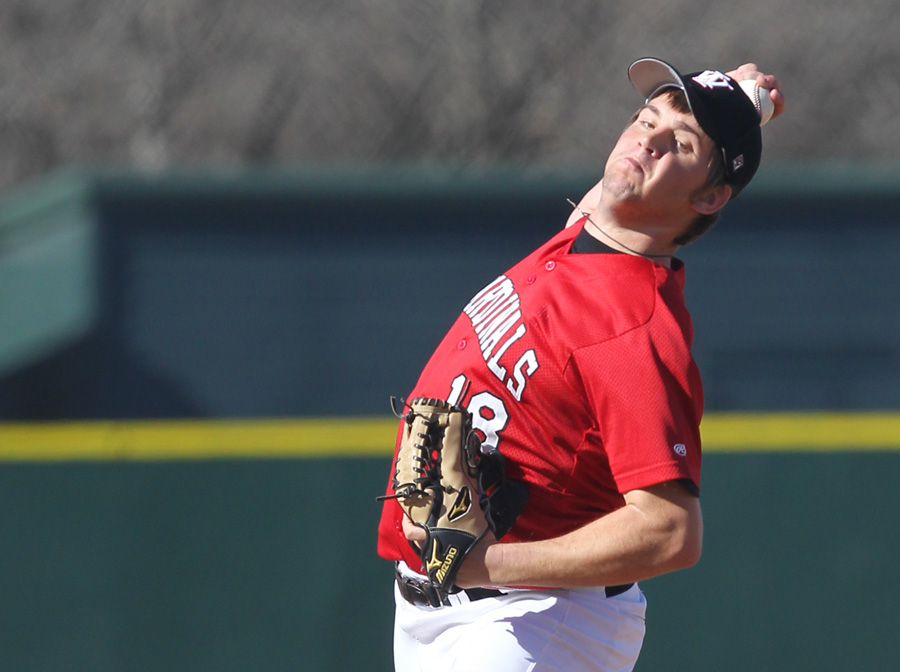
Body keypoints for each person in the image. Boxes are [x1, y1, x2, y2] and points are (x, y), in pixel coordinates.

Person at [377, 57, 785, 672]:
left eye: (677, 143)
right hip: (447, 610)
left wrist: (487, 565)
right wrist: (741, 104)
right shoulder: (591, 234)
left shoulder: (635, 329)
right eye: (645, 118)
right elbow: (625, 189)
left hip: (529, 621)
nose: (647, 139)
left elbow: (672, 530)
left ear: (709, 197)